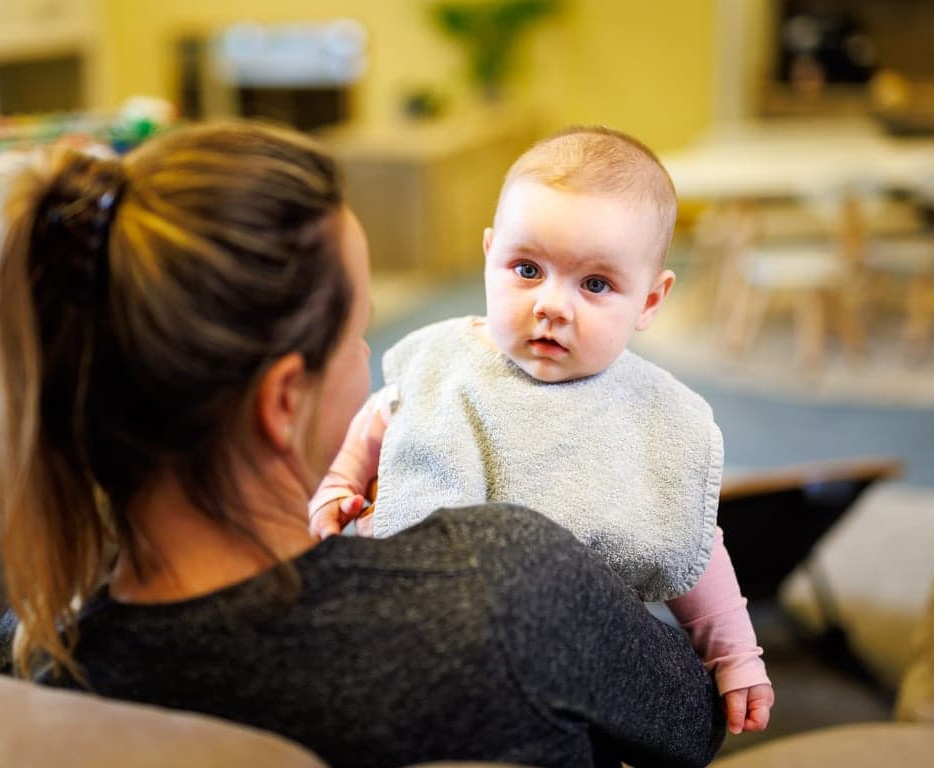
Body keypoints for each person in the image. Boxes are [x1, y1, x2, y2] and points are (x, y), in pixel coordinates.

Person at [0, 120, 726, 768]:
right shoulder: (510, 589)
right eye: (358, 334)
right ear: (283, 401)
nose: (374, 361)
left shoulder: (30, 660)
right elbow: (697, 721)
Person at [309, 125, 774, 735]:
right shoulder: (447, 364)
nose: (552, 305)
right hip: (405, 626)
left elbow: (689, 544)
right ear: (489, 255)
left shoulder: (653, 421)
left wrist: (735, 656)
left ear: (651, 302)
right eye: (527, 269)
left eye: (596, 284)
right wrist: (338, 487)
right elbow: (382, 421)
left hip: (558, 667)